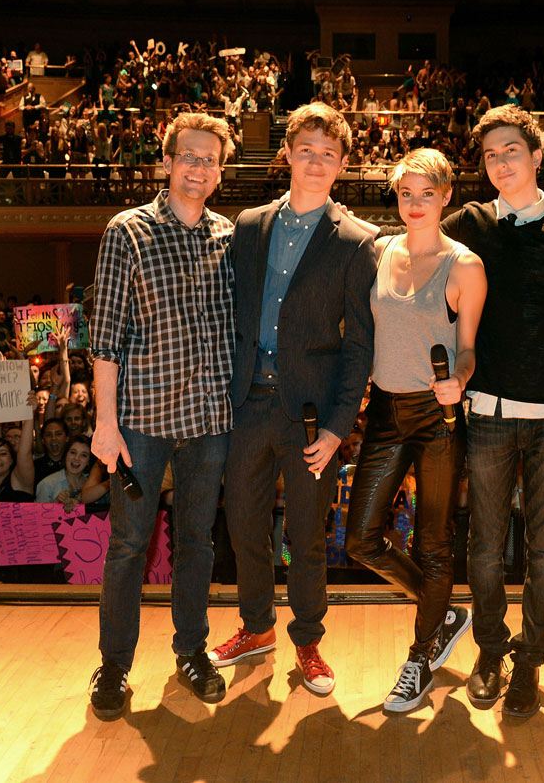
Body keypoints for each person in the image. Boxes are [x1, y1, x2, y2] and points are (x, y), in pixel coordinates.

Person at [416, 105, 544, 718]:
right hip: (490, 412)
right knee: (485, 546)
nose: (501, 163)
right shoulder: (470, 224)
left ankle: (529, 660)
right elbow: (414, 233)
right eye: (492, 155)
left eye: (512, 151)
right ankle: (490, 651)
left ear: (537, 157)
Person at [209, 102, 377, 697]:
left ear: (342, 166)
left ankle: (307, 640)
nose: (316, 161)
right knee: (244, 527)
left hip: (312, 419)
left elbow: (360, 347)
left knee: (305, 536)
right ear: (286, 154)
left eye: (328, 154)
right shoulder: (247, 226)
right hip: (246, 405)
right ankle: (257, 628)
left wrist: (337, 427)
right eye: (306, 149)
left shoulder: (360, 241)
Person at [88, 112, 236, 717]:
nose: (199, 168)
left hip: (208, 421)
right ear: (168, 162)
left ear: (220, 172)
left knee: (197, 542)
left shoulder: (227, 236)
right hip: (141, 423)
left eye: (210, 160)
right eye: (190, 157)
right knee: (128, 545)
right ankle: (115, 667)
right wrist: (104, 423)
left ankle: (191, 651)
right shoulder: (128, 231)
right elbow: (104, 339)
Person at [343, 149, 486, 713]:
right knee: (360, 540)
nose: (416, 204)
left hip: (438, 418)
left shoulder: (465, 265)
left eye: (427, 193)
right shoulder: (380, 251)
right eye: (407, 194)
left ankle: (420, 656)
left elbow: (470, 349)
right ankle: (443, 608)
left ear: (447, 195)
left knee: (434, 544)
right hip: (384, 412)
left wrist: (461, 381)